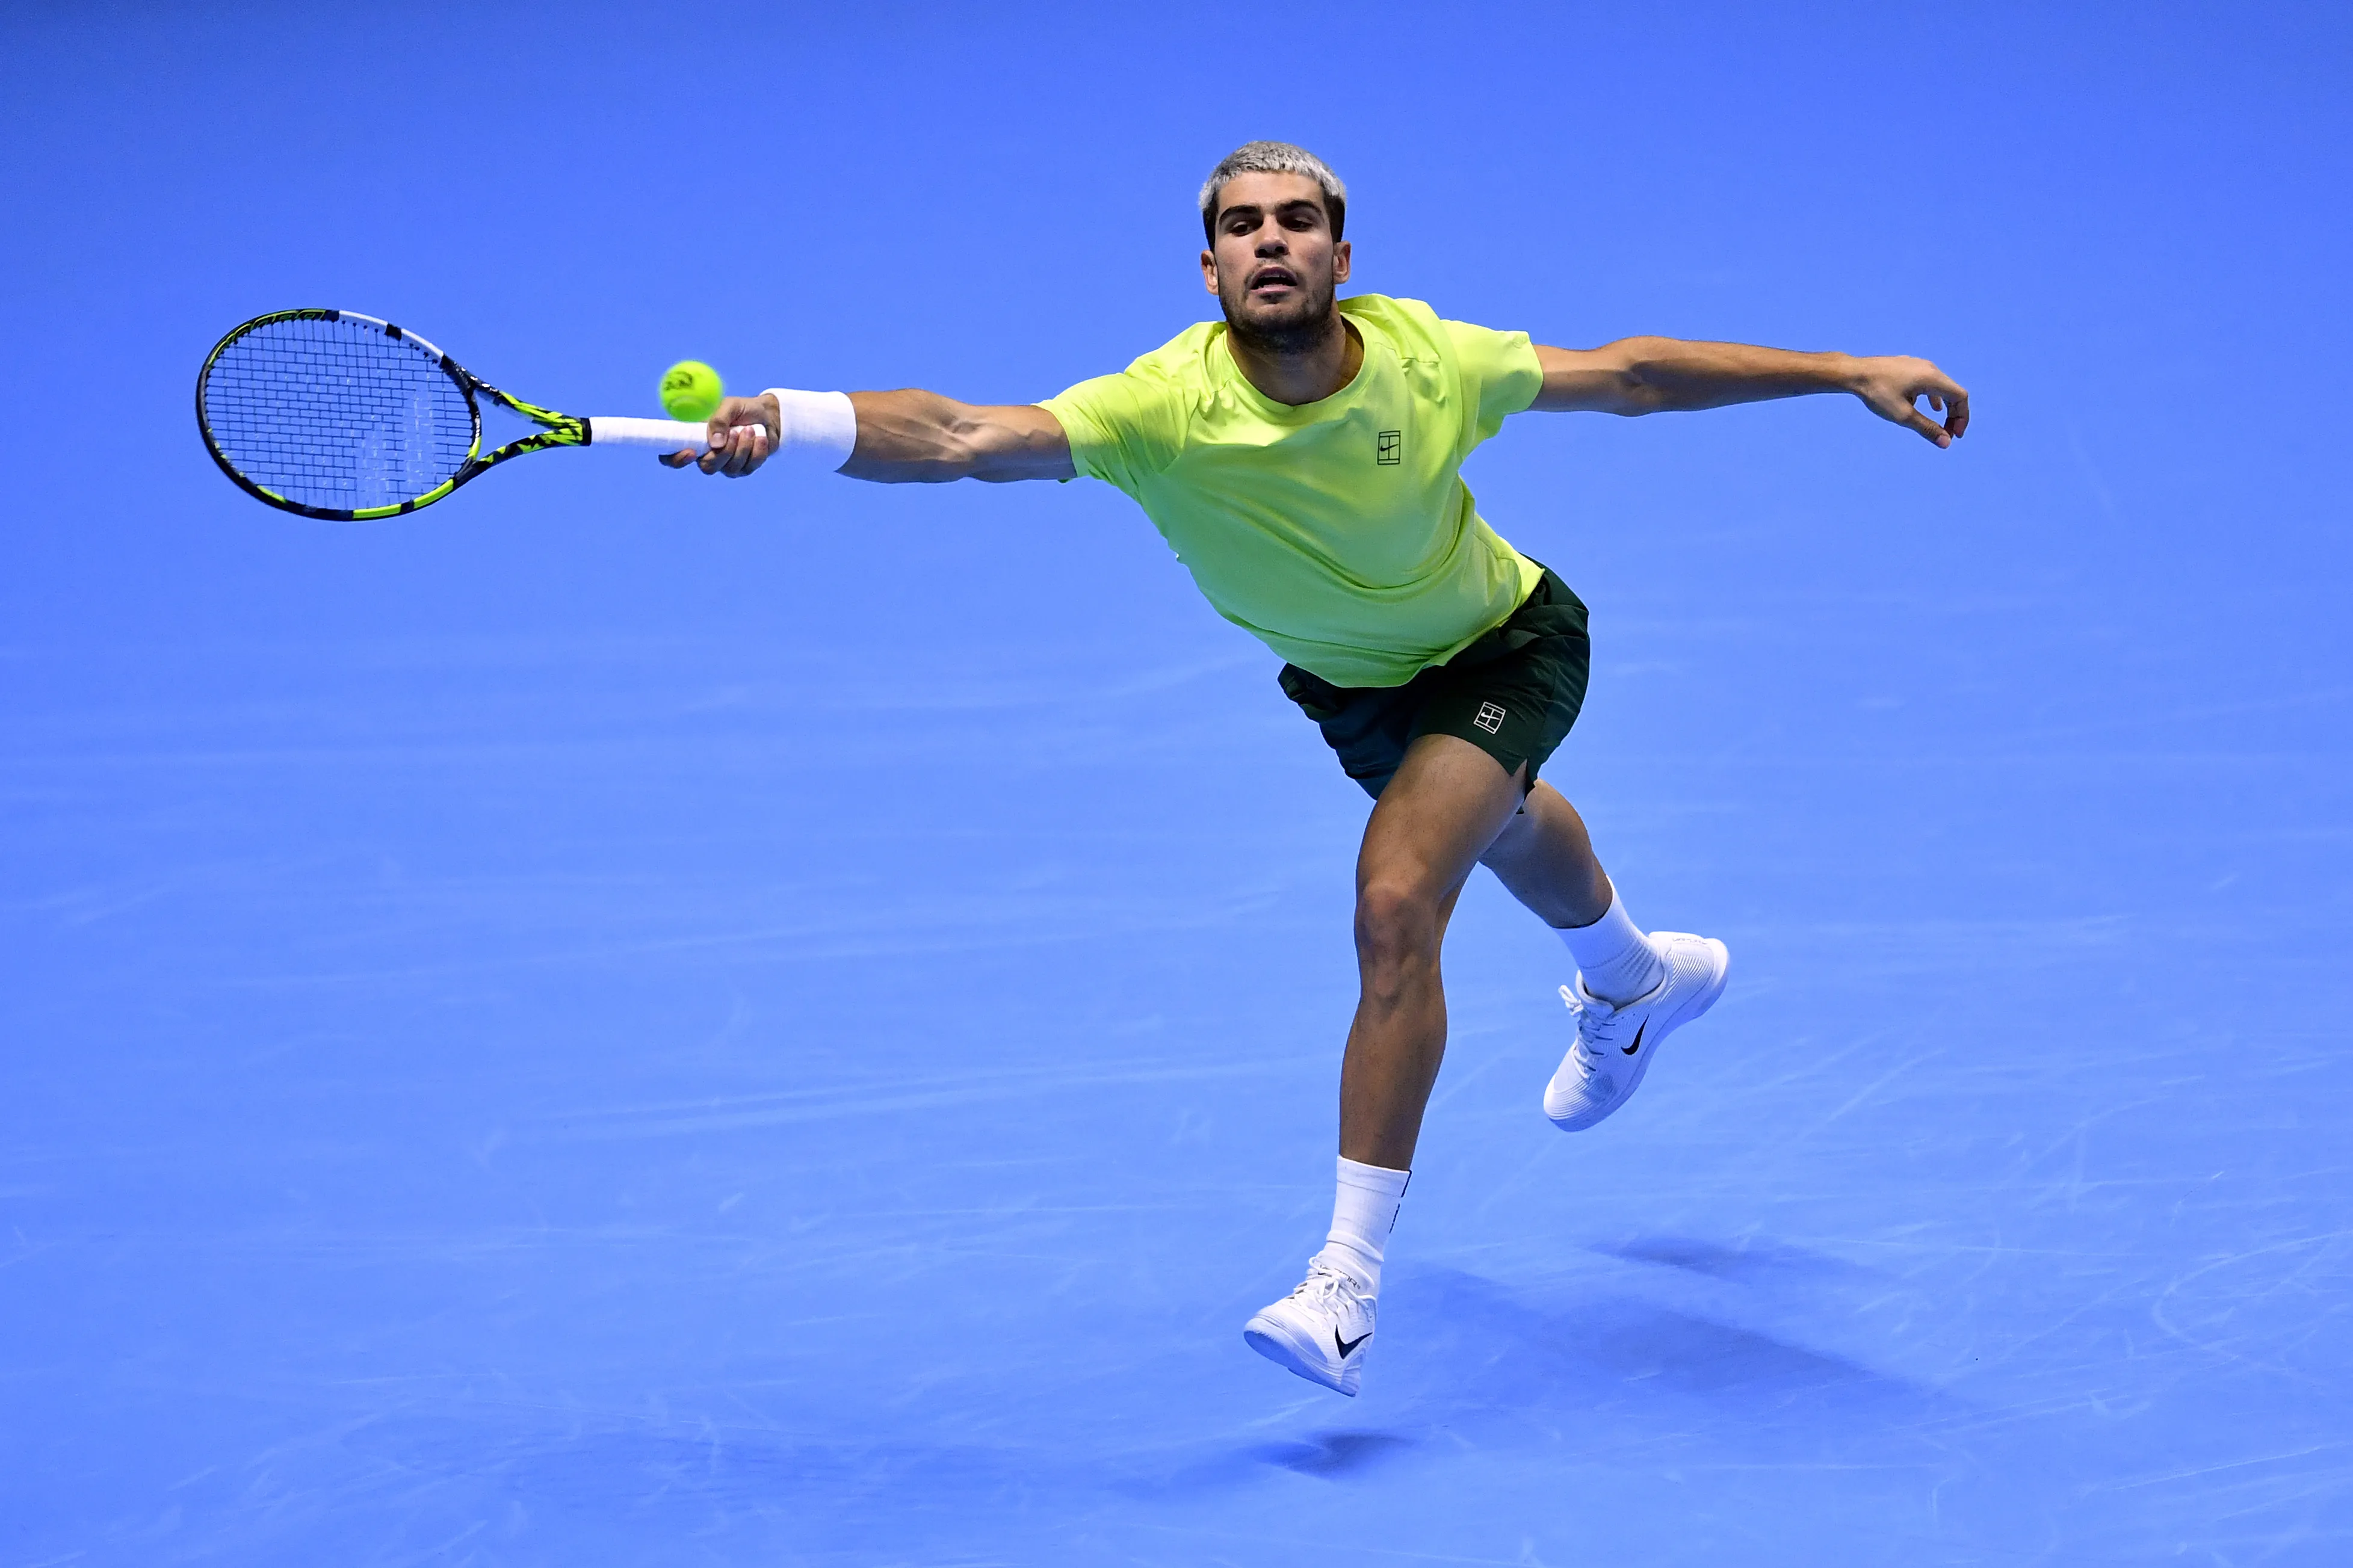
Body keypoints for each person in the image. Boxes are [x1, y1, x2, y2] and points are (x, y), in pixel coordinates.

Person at [664, 141, 1968, 1397]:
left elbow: (1627, 374)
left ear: (1339, 251)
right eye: (1242, 227)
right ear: (1209, 268)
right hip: (1353, 691)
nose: (1269, 242)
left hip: (1506, 645)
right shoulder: (1160, 409)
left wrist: (1842, 368)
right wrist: (797, 418)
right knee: (1502, 825)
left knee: (1399, 900)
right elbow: (956, 434)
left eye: (1294, 222)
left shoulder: (1424, 359)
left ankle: (1340, 1291)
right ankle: (1633, 976)